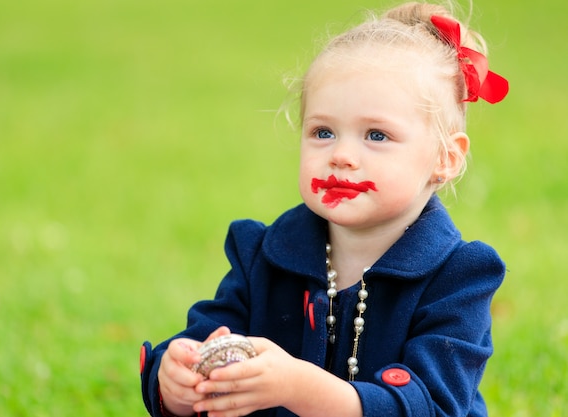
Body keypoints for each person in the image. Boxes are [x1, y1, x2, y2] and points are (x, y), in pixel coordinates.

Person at [140, 2, 509, 416]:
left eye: (376, 135)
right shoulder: (262, 254)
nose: (342, 155)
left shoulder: (459, 277)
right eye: (323, 132)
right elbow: (208, 341)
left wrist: (298, 386)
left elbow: (433, 406)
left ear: (445, 158)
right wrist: (175, 381)